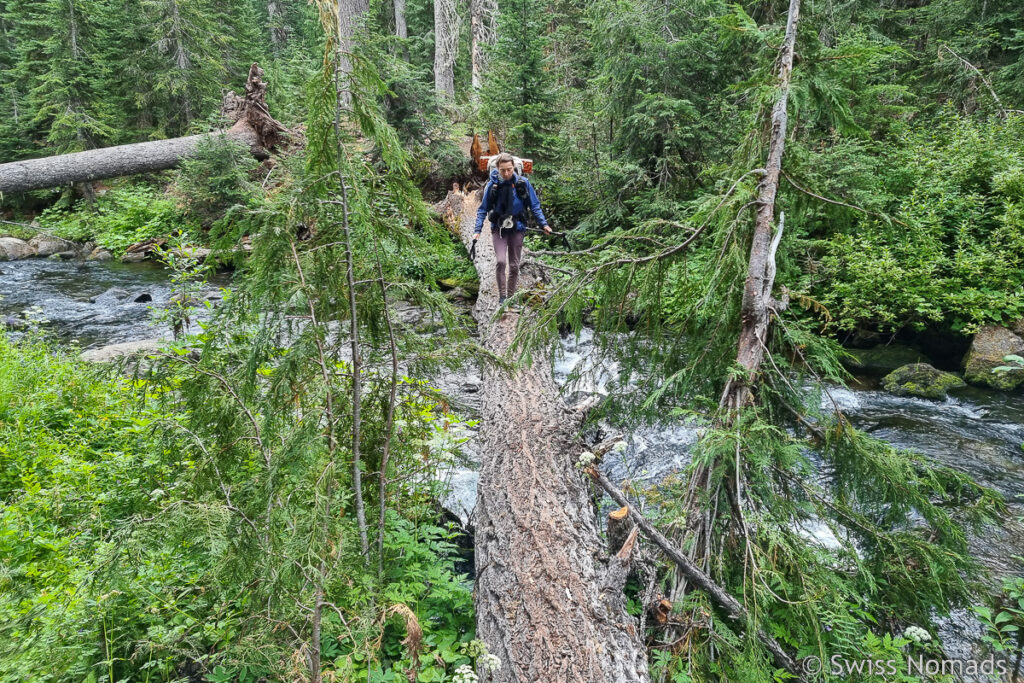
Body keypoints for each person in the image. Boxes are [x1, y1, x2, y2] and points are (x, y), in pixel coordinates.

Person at [473, 153, 551, 304]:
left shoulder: (523, 183)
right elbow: (483, 209)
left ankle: (511, 297)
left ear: (514, 167)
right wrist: (477, 231)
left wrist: (544, 224)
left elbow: (534, 205)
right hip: (499, 228)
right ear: (497, 169)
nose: (507, 173)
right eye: (503, 170)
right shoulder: (492, 185)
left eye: (509, 169)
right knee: (501, 261)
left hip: (518, 227)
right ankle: (502, 298)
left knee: (514, 265)